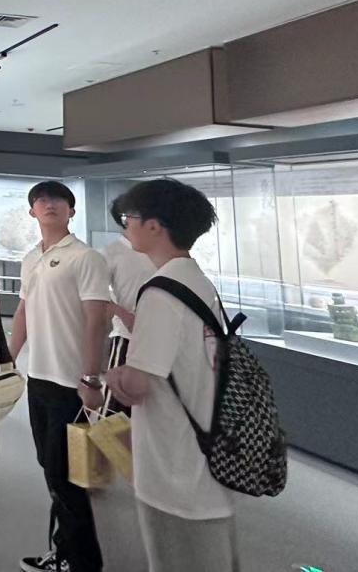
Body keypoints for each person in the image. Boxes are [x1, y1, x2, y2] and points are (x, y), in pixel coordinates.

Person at [104, 179, 239, 572]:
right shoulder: (197, 281)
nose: (126, 225)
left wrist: (112, 376)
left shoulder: (160, 293)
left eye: (129, 218)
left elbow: (139, 383)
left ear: (154, 226)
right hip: (205, 455)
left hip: (174, 469)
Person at [7, 181, 110, 572]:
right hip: (38, 377)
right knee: (52, 470)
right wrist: (8, 360)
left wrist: (91, 377)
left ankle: (82, 562)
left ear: (71, 211)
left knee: (65, 477)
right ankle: (65, 552)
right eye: (41, 200)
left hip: (71, 383)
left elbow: (97, 320)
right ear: (32, 211)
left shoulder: (85, 258)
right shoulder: (31, 258)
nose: (48, 204)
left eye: (58, 200)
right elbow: (23, 312)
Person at [99, 232, 155, 414]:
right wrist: (123, 315)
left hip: (159, 340)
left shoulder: (160, 249)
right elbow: (94, 293)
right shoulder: (112, 252)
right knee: (115, 410)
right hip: (126, 338)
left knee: (150, 405)